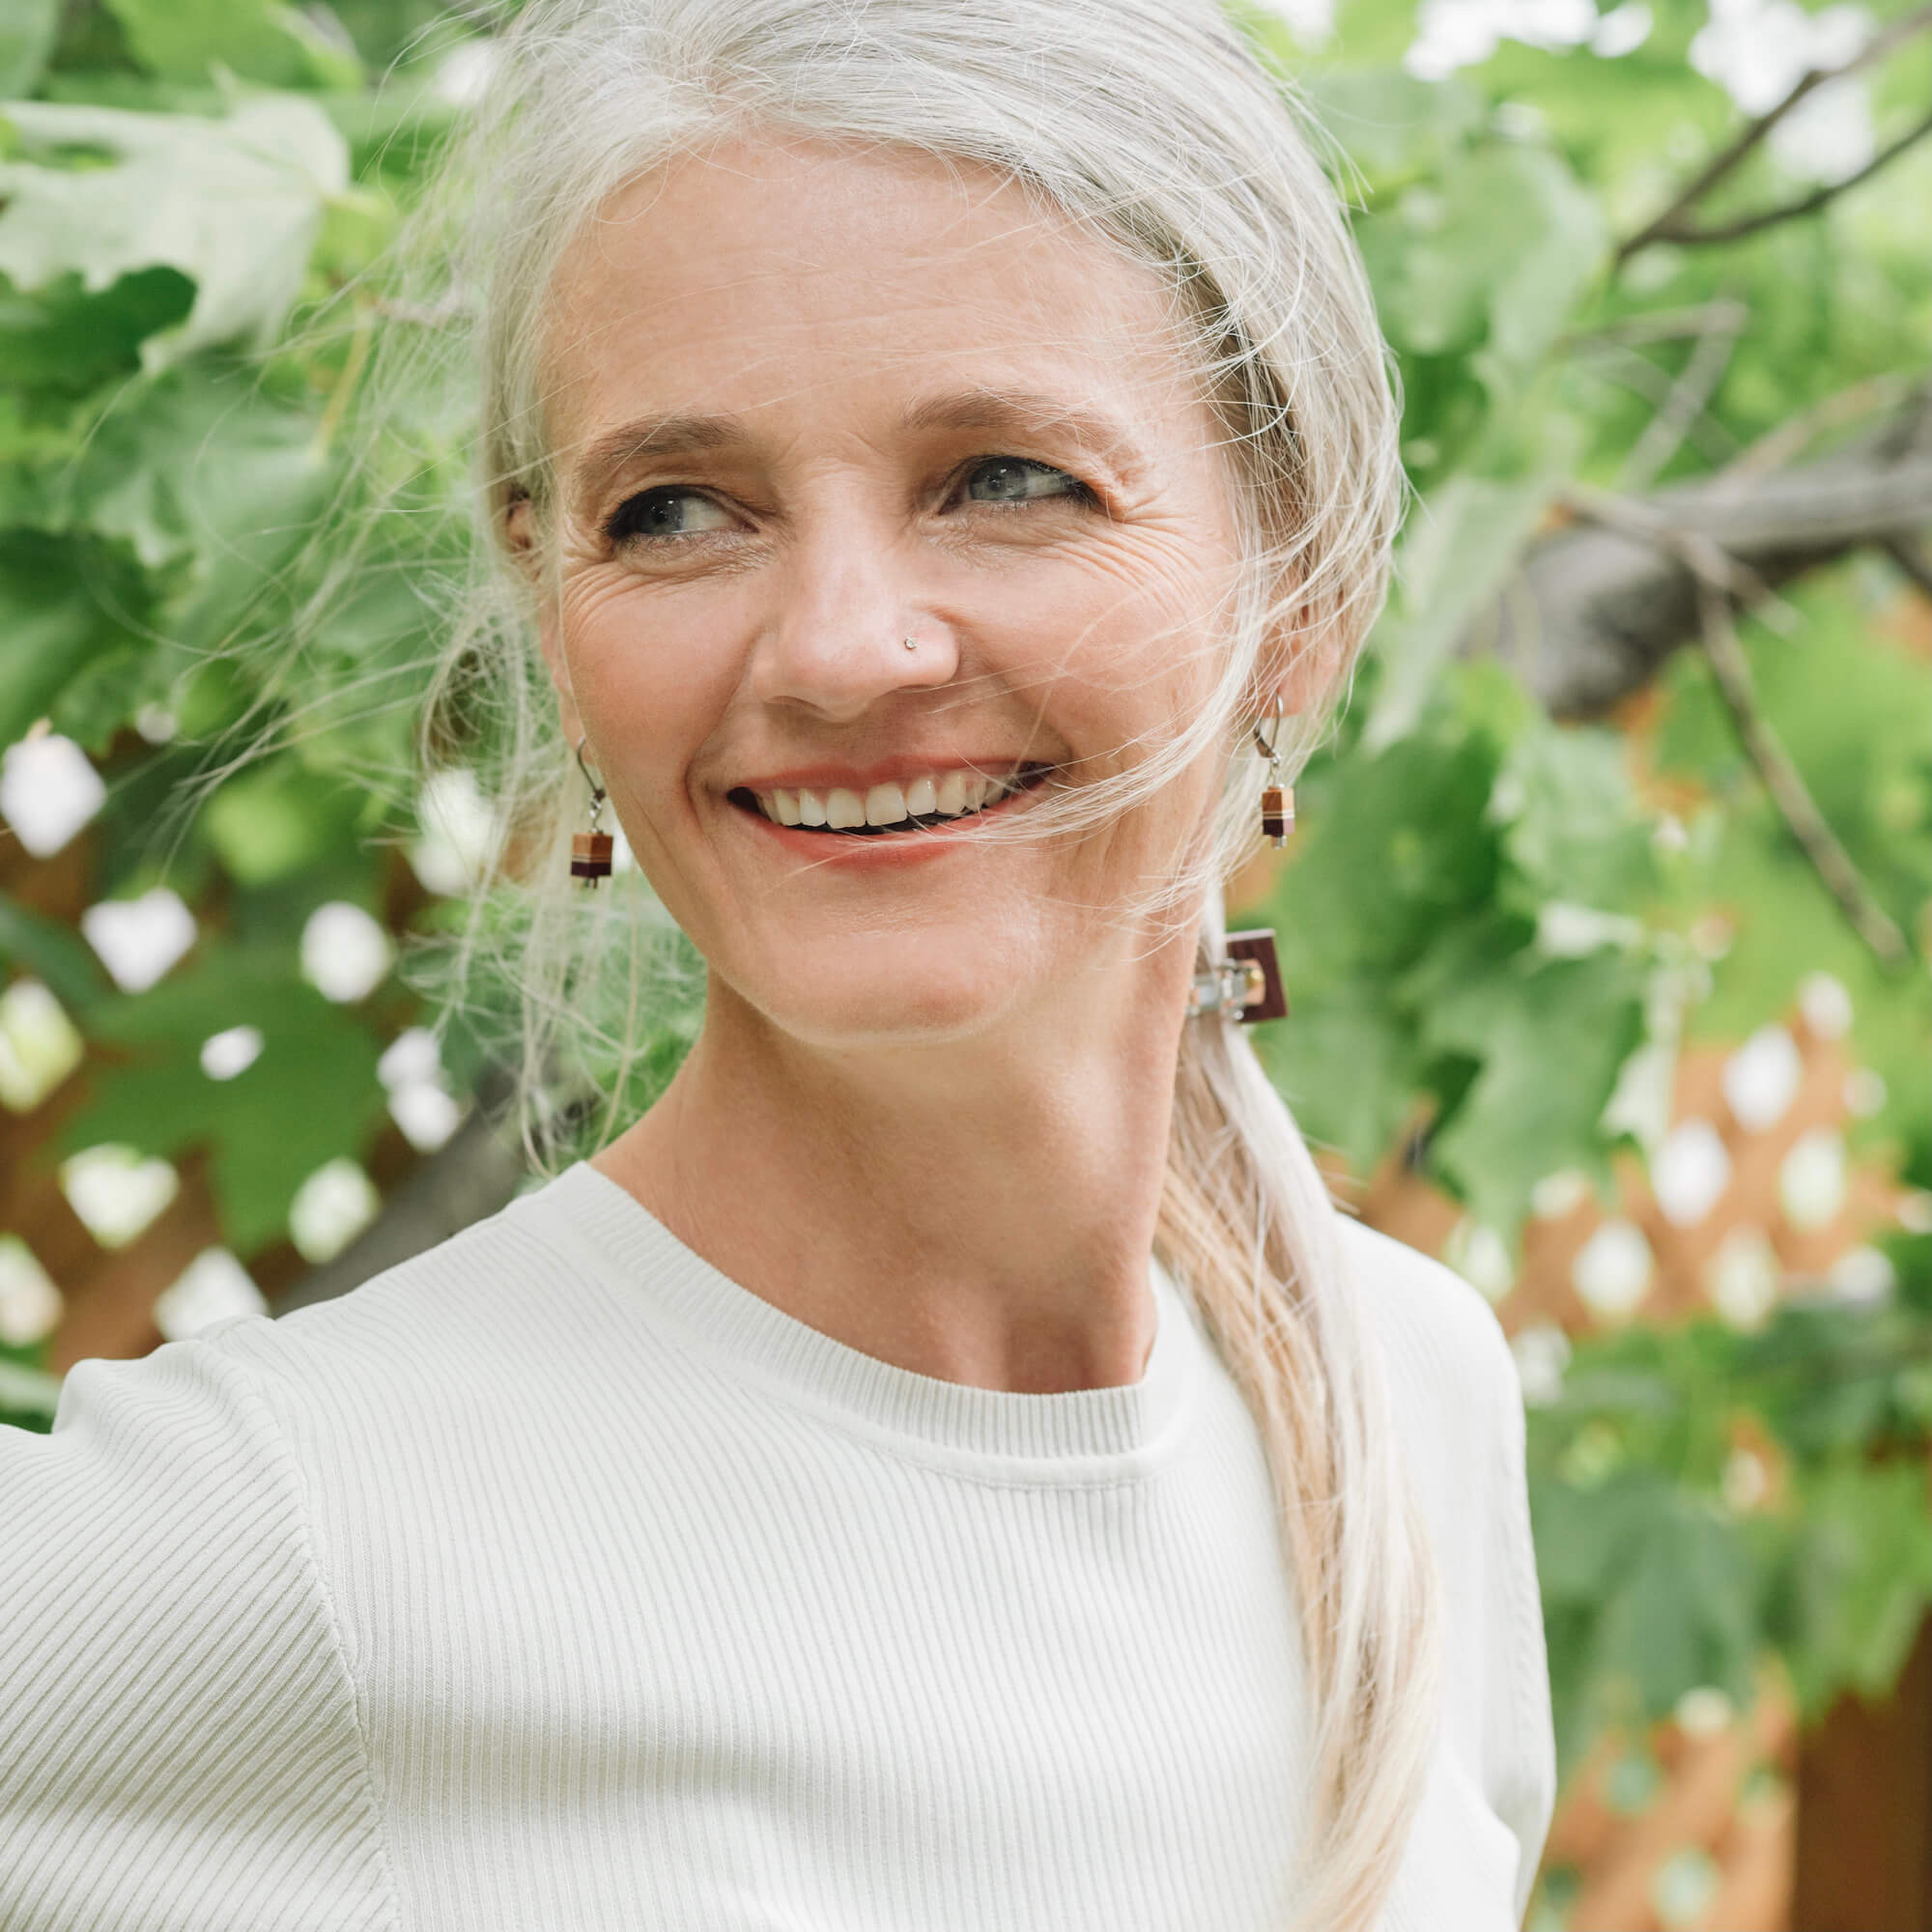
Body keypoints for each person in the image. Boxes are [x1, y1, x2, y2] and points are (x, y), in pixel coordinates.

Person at [0, 2, 1554, 1927]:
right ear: (548, 615)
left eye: (1002, 478)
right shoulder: (287, 1529)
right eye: (676, 512)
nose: (838, 648)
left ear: (1298, 584)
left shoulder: (1406, 1398)